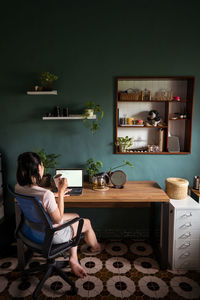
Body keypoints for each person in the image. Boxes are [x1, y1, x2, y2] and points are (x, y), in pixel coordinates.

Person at [15, 152, 103, 278]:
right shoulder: (46, 194)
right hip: (51, 235)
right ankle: (95, 248)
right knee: (85, 222)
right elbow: (58, 218)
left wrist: (53, 196)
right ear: (39, 168)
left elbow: (37, 200)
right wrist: (61, 193)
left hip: (32, 231)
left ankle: (73, 257)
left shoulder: (18, 187)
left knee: (76, 216)